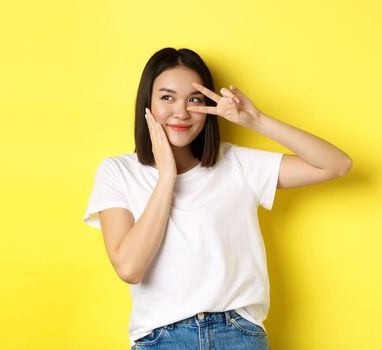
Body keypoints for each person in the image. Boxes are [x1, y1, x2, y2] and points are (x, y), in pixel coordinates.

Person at [82, 47, 352, 350]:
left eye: (194, 99)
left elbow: (336, 164)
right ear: (147, 102)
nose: (181, 112)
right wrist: (167, 178)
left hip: (237, 335)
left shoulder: (237, 164)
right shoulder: (118, 171)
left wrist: (257, 120)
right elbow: (130, 268)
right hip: (161, 339)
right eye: (167, 97)